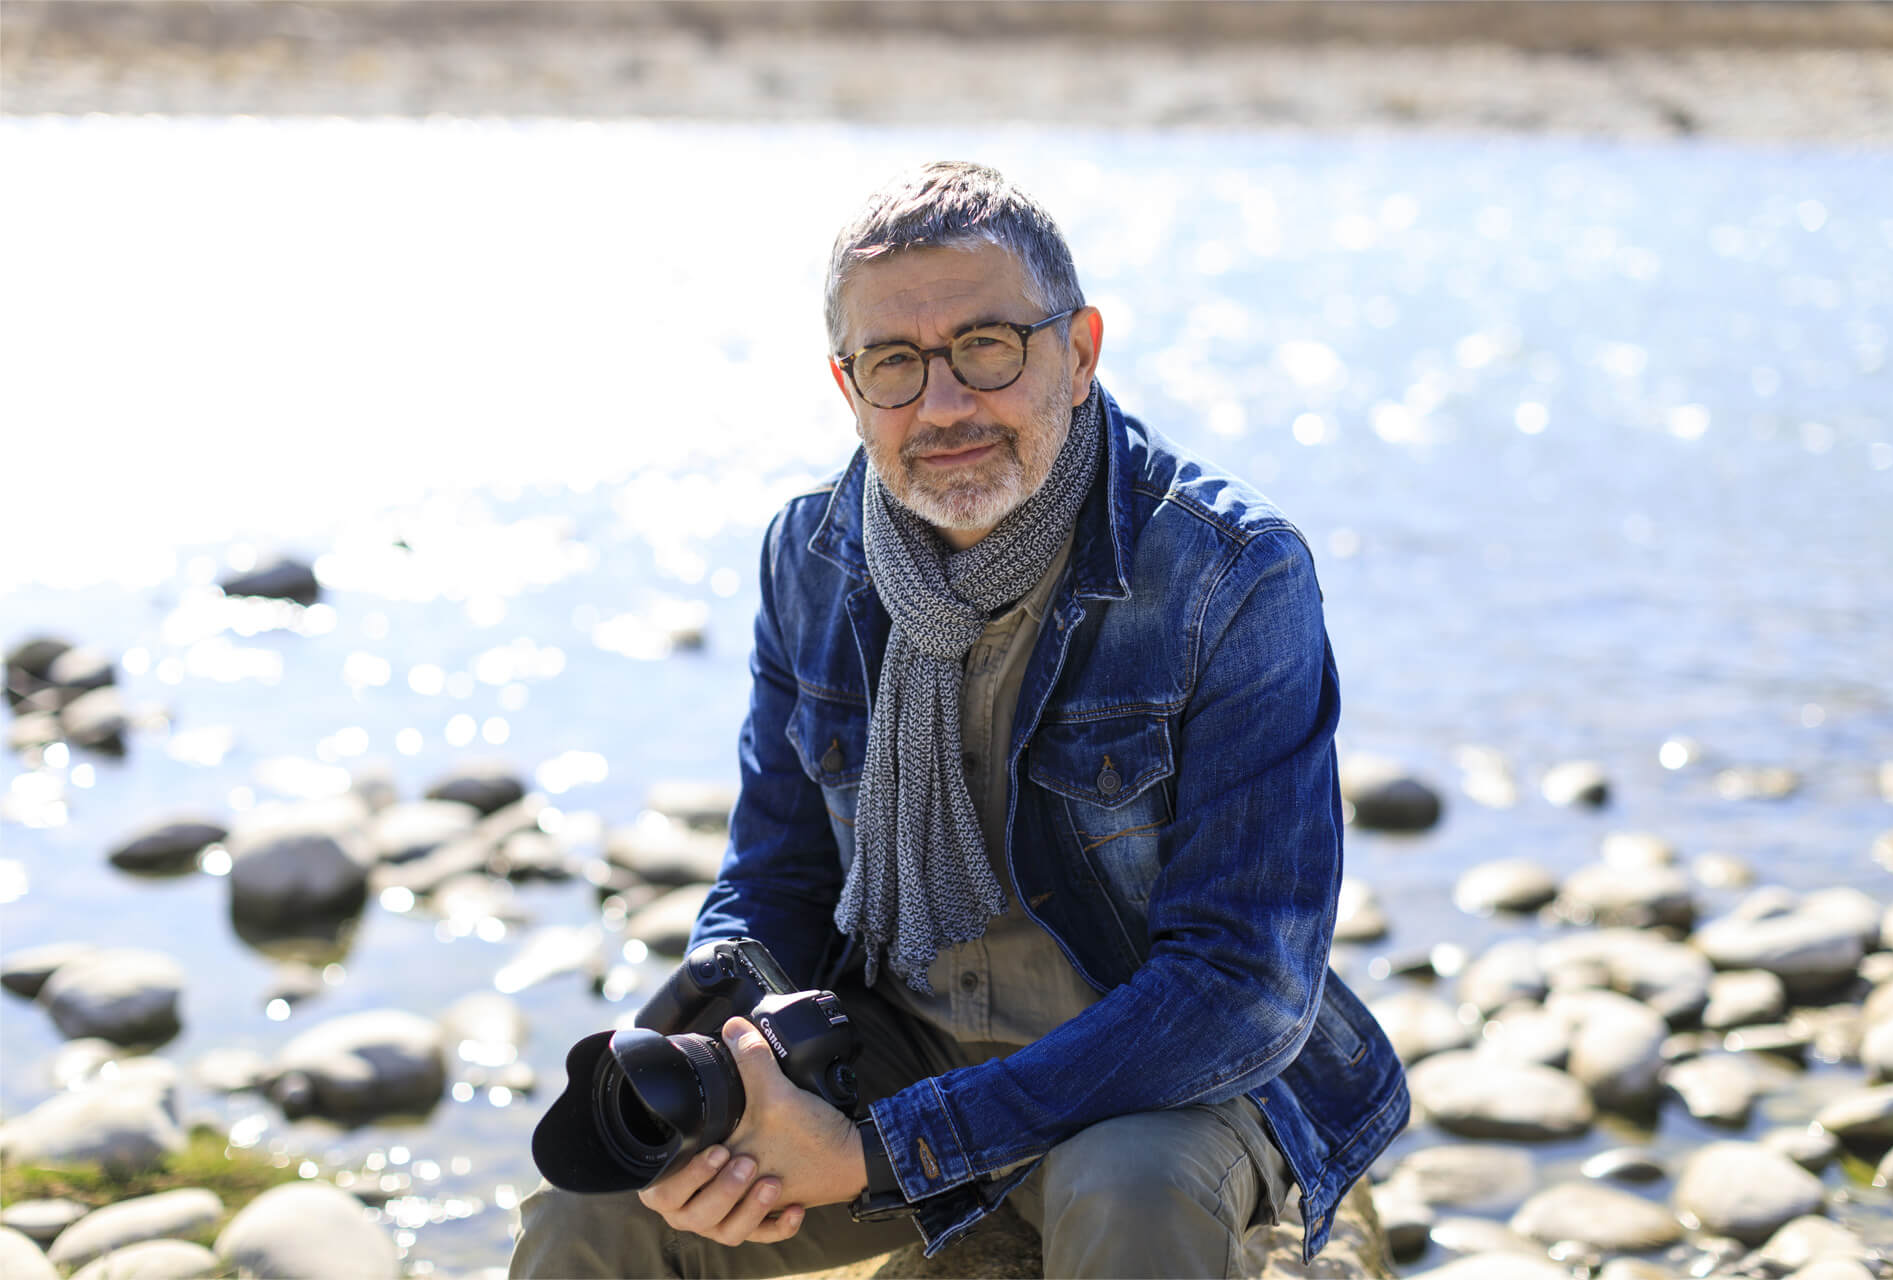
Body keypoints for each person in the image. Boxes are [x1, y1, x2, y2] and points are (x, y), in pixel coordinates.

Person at [511, 160, 1407, 1280]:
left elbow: (1243, 984)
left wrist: (889, 1149)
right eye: (895, 363)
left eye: (987, 346)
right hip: (894, 1048)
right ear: (848, 387)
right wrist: (723, 1055)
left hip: (1151, 1078)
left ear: (1077, 353)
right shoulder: (811, 555)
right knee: (588, 1216)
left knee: (1129, 1193)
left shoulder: (1230, 572)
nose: (942, 406)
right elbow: (776, 873)